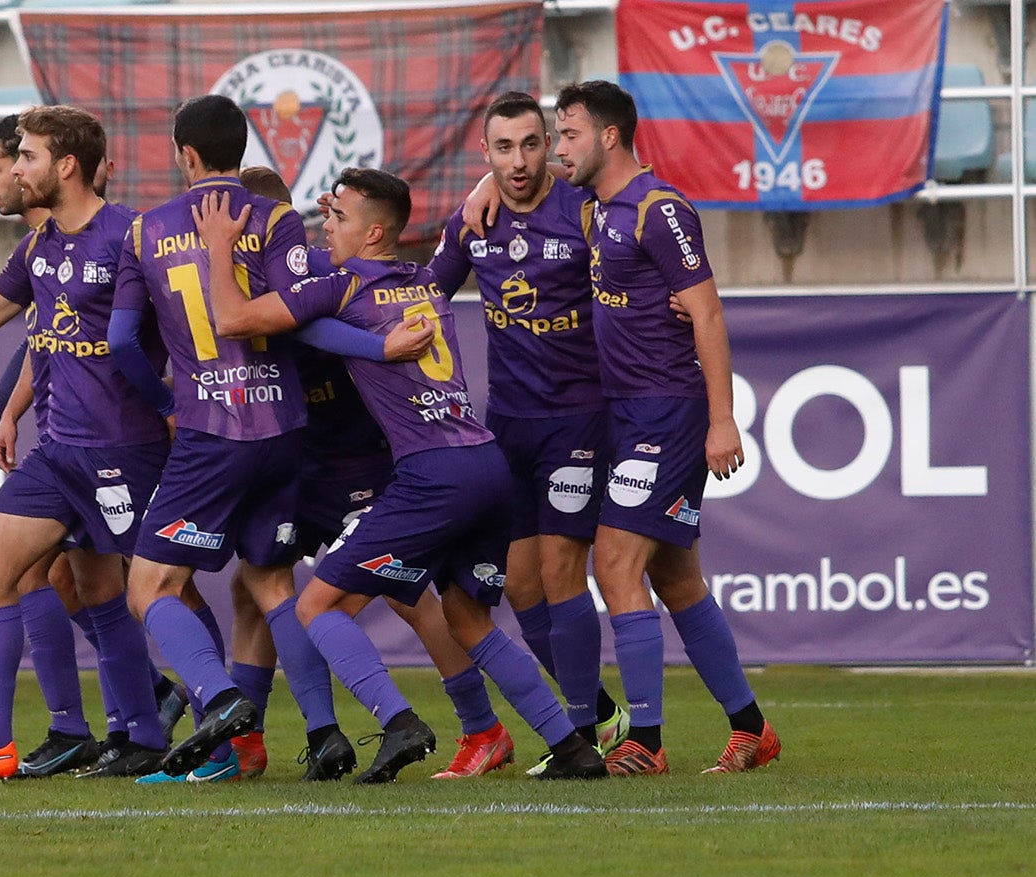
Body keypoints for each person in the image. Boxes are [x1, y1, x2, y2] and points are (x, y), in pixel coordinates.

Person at [197, 167, 609, 784]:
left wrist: (219, 247)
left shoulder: (342, 285)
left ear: (374, 233)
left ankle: (400, 721)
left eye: (337, 219)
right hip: (486, 463)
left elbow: (233, 319)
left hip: (431, 474)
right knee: (469, 620)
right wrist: (480, 189)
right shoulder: (423, 280)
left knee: (316, 604)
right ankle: (573, 747)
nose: (324, 226)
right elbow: (437, 246)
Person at [109, 95, 393, 783]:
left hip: (211, 430)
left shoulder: (145, 231)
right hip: (286, 429)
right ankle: (324, 735)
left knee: (149, 587)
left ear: (186, 154)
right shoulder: (277, 218)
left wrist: (168, 402)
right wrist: (379, 348)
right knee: (269, 584)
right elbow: (301, 317)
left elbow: (122, 341)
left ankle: (222, 697)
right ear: (242, 148)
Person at [0, 104, 172, 782]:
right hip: (59, 455)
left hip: (126, 452)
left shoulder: (132, 237)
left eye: (24, 158)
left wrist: (181, 407)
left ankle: (180, 725)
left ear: (65, 166)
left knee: (144, 595)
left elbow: (188, 329)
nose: (15, 172)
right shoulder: (39, 249)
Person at [233, 166, 516, 781]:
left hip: (358, 463)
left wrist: (486, 185)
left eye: (248, 223)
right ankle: (271, 738)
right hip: (294, 466)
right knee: (255, 583)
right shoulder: (285, 271)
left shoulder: (311, 275)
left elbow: (295, 319)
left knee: (400, 591)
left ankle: (477, 725)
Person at [550, 79, 779, 775]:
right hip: (624, 414)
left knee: (614, 562)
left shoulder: (660, 208)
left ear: (610, 136)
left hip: (670, 412)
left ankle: (644, 742)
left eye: (569, 134)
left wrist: (722, 420)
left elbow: (706, 314)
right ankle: (752, 730)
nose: (559, 149)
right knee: (676, 580)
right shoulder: (596, 211)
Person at [429, 91, 629, 775]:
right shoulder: (472, 221)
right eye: (504, 149)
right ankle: (598, 711)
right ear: (485, 153)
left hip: (578, 419)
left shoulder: (584, 210)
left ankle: (578, 731)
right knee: (518, 587)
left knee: (560, 570)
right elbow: (427, 296)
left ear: (551, 146)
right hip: (506, 424)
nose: (519, 161)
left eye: (531, 144)